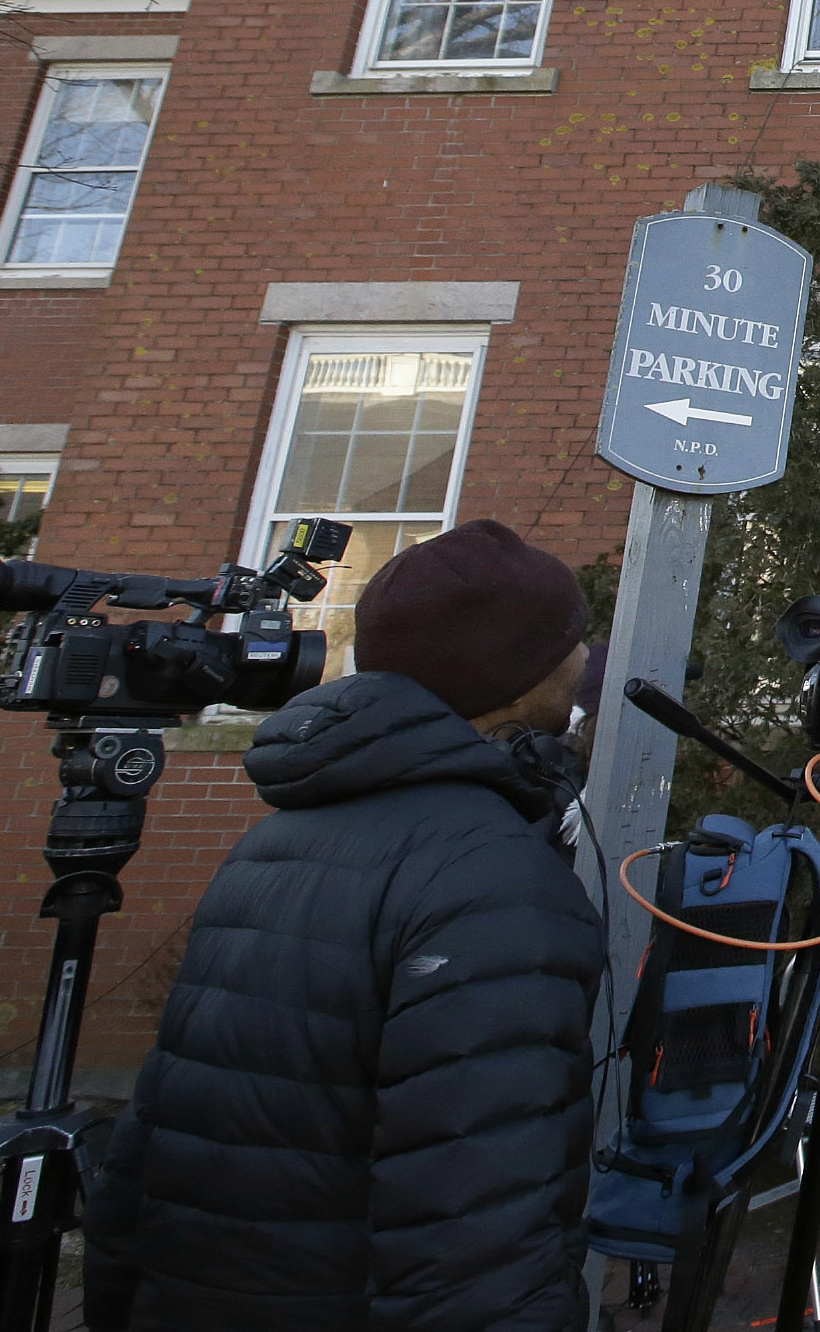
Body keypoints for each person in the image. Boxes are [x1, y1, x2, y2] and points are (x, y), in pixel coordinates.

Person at [84, 521, 605, 1332]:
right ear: (513, 675)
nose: (584, 658)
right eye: (571, 640)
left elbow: (148, 1136)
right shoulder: (486, 876)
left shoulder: (275, 841)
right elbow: (478, 1212)